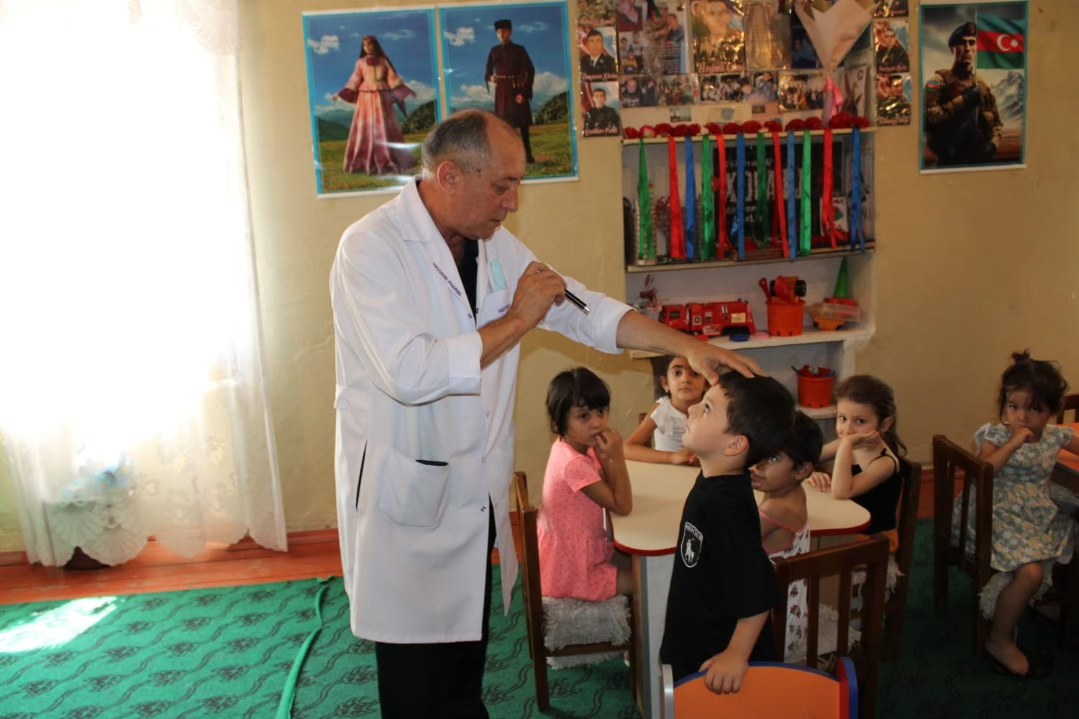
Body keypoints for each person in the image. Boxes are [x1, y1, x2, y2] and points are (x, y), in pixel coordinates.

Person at [330, 109, 761, 717]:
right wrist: (519, 319)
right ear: (449, 176)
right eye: (502, 185)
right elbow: (410, 373)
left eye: (517, 184)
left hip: (472, 493)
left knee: (464, 659)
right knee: (414, 683)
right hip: (406, 494)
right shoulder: (369, 249)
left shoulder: (492, 244)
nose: (513, 201)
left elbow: (582, 308)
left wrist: (683, 345)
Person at [659, 372, 794, 691]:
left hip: (714, 659)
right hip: (697, 634)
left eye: (707, 408)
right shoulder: (718, 481)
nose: (693, 408)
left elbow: (759, 585)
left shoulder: (723, 507)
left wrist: (736, 654)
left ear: (734, 445)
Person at [959, 351, 1078, 678]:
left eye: (1034, 409)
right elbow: (985, 472)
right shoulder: (995, 435)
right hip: (995, 512)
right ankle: (999, 639)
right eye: (1014, 407)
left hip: (1037, 513)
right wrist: (1013, 444)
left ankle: (1048, 602)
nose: (1022, 417)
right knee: (1031, 573)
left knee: (1074, 532)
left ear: (1052, 411)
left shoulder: (1056, 436)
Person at [538, 368, 634, 601]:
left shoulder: (572, 446)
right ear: (560, 421)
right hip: (573, 569)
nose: (597, 423)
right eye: (583, 416)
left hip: (574, 551)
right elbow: (622, 506)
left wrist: (606, 456)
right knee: (646, 581)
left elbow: (611, 488)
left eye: (601, 411)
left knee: (641, 562)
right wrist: (618, 456)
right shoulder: (573, 464)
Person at [754, 411, 823, 663]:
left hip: (772, 625)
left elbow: (728, 542)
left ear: (802, 470)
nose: (758, 464)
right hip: (792, 613)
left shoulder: (775, 509)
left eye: (772, 458)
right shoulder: (795, 492)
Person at [808, 375, 907, 546]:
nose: (847, 429)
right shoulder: (850, 443)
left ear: (884, 424)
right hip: (845, 526)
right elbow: (802, 459)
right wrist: (811, 473)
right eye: (842, 418)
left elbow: (841, 492)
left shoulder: (884, 463)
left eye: (860, 421)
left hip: (873, 542)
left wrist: (846, 445)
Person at [924, 21, 1003, 166]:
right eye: (961, 43)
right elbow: (928, 116)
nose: (967, 48)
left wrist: (993, 146)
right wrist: (964, 101)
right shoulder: (936, 82)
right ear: (952, 49)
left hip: (980, 161)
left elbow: (997, 123)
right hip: (949, 162)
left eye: (972, 43)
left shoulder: (982, 86)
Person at [335, 35, 417, 176]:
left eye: (370, 44)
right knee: (365, 127)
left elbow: (392, 78)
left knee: (383, 126)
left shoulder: (383, 61)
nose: (367, 47)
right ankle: (362, 160)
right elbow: (355, 79)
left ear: (375, 45)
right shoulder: (360, 62)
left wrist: (406, 89)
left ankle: (385, 158)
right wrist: (341, 93)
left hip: (382, 98)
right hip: (365, 98)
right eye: (364, 45)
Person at [624, 355, 706, 465]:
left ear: (706, 383)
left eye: (695, 373)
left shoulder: (712, 408)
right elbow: (626, 449)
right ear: (665, 383)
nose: (685, 380)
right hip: (666, 470)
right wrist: (672, 457)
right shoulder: (662, 409)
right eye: (677, 373)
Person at [485, 19, 537, 164]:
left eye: (504, 31)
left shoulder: (520, 49)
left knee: (523, 123)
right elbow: (488, 69)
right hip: (502, 90)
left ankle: (527, 154)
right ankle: (508, 157)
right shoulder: (494, 51)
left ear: (510, 32)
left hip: (517, 88)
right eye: (499, 32)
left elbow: (530, 70)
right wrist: (490, 77)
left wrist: (524, 93)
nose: (501, 34)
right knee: (504, 124)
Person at [690, 0, 745, 74]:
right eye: (712, 13)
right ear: (704, 19)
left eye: (722, 13)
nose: (717, 18)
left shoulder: (740, 45)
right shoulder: (696, 47)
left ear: (729, 16)